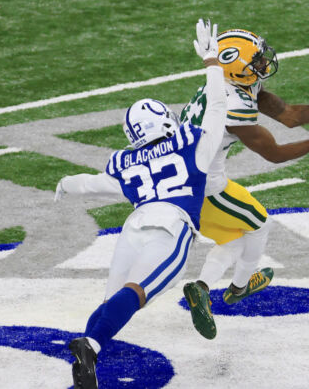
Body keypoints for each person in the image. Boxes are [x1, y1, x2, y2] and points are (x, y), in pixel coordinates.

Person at [55, 19, 225, 387]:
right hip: (172, 224)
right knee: (136, 294)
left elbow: (94, 185)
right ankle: (89, 348)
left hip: (133, 227)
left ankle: (87, 364)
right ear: (164, 119)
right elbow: (217, 107)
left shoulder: (128, 162)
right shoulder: (191, 144)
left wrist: (66, 183)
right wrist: (212, 61)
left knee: (109, 306)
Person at [179, 28, 309, 338]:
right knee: (260, 224)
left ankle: (201, 287)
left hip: (187, 176)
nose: (262, 64)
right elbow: (274, 154)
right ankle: (240, 285)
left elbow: (287, 115)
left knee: (233, 241)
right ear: (235, 68)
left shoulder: (224, 82)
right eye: (255, 61)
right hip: (202, 184)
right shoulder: (233, 107)